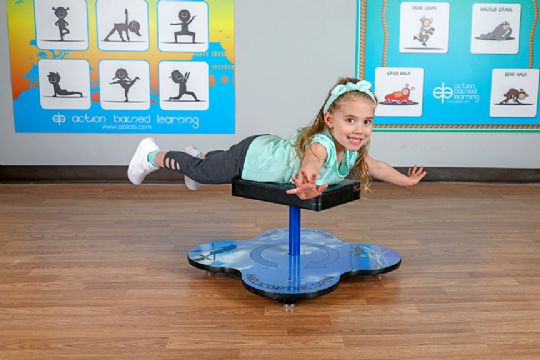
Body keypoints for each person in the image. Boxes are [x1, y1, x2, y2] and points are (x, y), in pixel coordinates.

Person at [128, 77, 426, 199]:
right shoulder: (322, 143)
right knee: (203, 174)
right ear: (329, 120)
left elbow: (378, 167)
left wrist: (406, 180)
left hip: (261, 147)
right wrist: (307, 183)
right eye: (351, 121)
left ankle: (201, 155)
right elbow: (311, 161)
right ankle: (151, 154)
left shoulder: (351, 150)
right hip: (254, 157)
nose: (360, 130)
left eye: (367, 122)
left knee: (215, 162)